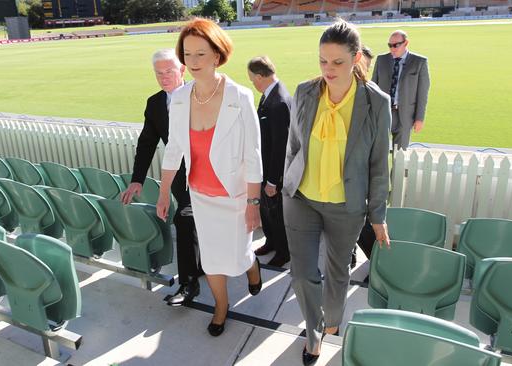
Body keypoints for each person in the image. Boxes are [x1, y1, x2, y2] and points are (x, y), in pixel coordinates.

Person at [282, 20, 391, 365]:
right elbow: (294, 146)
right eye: (322, 61)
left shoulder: (376, 102)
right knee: (302, 275)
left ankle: (331, 319)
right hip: (301, 199)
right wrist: (287, 182)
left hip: (347, 206)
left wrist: (378, 216)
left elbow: (378, 164)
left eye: (338, 62)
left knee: (338, 272)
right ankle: (313, 335)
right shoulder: (304, 91)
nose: (328, 70)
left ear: (356, 58)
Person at [156, 18, 263, 337]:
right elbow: (174, 148)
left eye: (201, 54)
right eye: (187, 55)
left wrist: (253, 202)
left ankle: (251, 265)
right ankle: (221, 306)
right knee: (214, 259)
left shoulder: (240, 97)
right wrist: (163, 193)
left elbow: (253, 155)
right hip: (201, 196)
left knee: (238, 254)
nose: (193, 62)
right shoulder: (178, 98)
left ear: (217, 55)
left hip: (235, 197)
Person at [121, 49, 203, 307]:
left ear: (182, 71)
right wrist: (137, 179)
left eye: (169, 71)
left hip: (211, 174)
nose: (164, 77)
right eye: (159, 73)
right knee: (185, 219)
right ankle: (189, 281)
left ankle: (238, 264)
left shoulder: (203, 94)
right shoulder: (155, 103)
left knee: (201, 221)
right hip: (179, 177)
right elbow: (146, 144)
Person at [247, 55, 292, 267]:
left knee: (277, 213)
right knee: (267, 211)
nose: (252, 83)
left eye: (252, 79)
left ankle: (283, 251)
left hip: (274, 171)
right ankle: (271, 242)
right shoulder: (270, 95)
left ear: (259, 76)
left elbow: (280, 145)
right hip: (264, 167)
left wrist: (273, 181)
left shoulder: (278, 102)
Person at [372, 29, 430, 150]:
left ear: (406, 43)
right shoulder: (381, 60)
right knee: (379, 150)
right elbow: (373, 88)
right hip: (383, 114)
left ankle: (398, 170)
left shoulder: (419, 62)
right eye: (389, 45)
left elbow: (422, 93)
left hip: (405, 116)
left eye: (395, 45)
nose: (392, 48)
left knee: (400, 155)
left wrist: (419, 118)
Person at [351, 44, 376, 271]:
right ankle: (349, 258)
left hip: (360, 177)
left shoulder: (372, 96)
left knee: (362, 225)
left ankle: (378, 262)